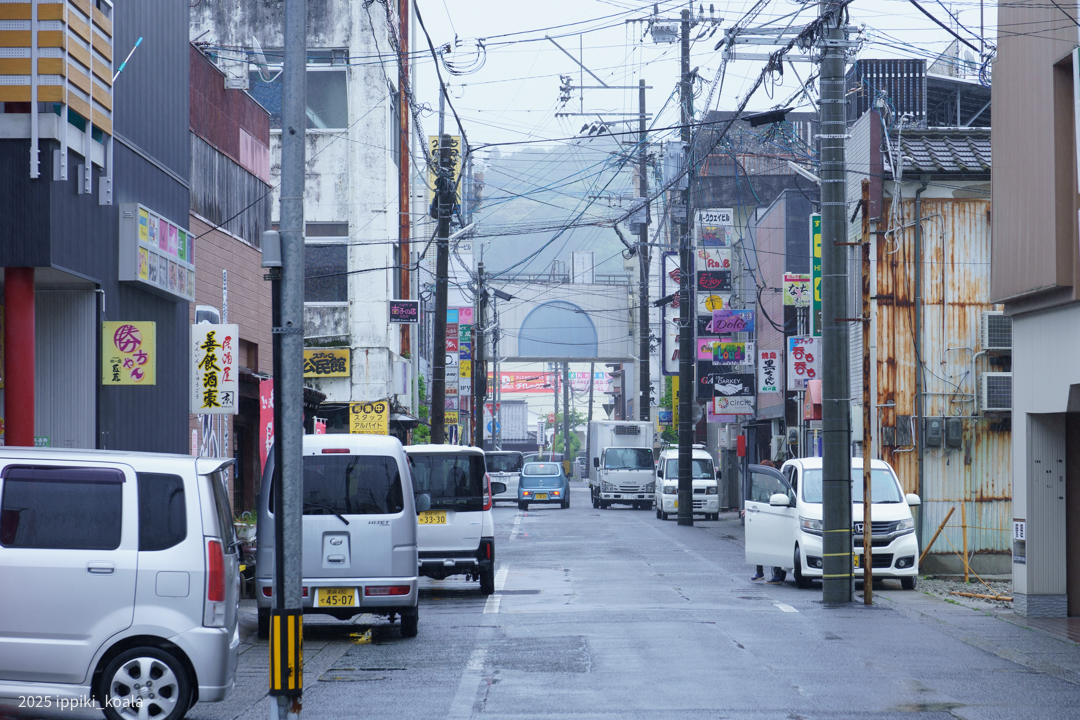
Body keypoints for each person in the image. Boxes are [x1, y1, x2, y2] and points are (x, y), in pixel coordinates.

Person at [749, 459, 786, 584]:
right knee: (760, 544)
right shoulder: (762, 485)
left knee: (769, 545)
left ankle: (775, 574)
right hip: (764, 518)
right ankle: (761, 572)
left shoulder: (775, 487)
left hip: (770, 519)